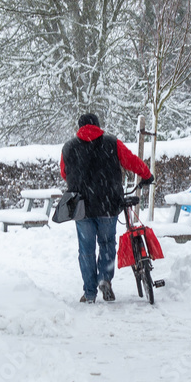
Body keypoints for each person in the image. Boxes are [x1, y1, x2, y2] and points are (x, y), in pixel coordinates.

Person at [60, 113, 153, 303]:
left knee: (86, 250)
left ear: (79, 127)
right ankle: (104, 278)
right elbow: (131, 160)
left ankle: (89, 292)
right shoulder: (111, 143)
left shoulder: (68, 147)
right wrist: (147, 175)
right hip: (108, 205)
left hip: (81, 207)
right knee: (107, 244)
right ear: (98, 125)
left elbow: (64, 173)